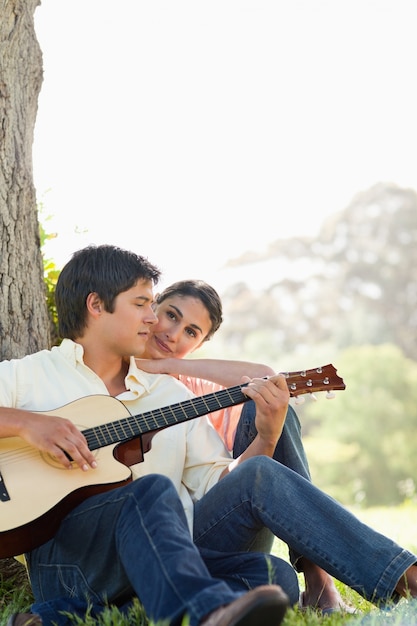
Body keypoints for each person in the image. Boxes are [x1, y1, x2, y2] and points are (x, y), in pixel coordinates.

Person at [3, 245, 417, 626]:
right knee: (149, 492)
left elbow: (222, 484)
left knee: (272, 576)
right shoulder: (31, 375)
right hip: (75, 566)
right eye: (142, 304)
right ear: (96, 305)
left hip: (164, 560)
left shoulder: (170, 393)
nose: (152, 318)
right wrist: (28, 424)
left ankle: (403, 575)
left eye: (153, 305)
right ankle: (201, 613)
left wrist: (268, 436)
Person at [134, 279, 344, 611]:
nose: (173, 334)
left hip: (226, 521)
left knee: (273, 406)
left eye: (191, 332)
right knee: (278, 581)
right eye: (171, 315)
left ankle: (318, 578)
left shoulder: (195, 383)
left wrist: (169, 365)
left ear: (200, 344)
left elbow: (264, 375)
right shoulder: (115, 373)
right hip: (168, 533)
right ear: (153, 307)